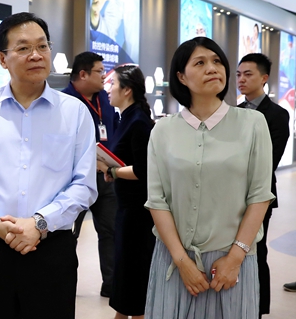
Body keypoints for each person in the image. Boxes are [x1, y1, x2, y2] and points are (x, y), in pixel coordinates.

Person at [0, 12, 97, 318]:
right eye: (24, 48)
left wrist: (39, 223)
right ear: (3, 59)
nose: (36, 55)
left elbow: (84, 185)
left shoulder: (74, 113)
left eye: (42, 46)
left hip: (51, 249)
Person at [145, 37, 275, 319]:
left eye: (217, 61)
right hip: (174, 260)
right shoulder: (163, 131)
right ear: (181, 76)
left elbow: (260, 196)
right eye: (200, 63)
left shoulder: (252, 123)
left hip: (232, 262)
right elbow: (157, 201)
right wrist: (182, 262)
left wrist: (235, 257)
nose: (212, 68)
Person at [95, 65, 154, 319]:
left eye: (113, 84)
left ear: (127, 90)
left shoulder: (138, 121)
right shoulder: (125, 117)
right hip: (126, 207)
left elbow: (143, 169)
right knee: (126, 273)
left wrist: (113, 171)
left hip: (137, 213)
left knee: (134, 273)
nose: (108, 89)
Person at [237, 53, 289, 318]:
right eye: (238, 74)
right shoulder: (233, 112)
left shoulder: (277, 115)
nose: (241, 79)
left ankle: (257, 309)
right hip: (229, 194)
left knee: (255, 252)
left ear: (264, 78)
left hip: (259, 196)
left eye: (248, 74)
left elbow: (269, 161)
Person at [61, 51, 117, 297]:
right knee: (66, 234)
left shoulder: (104, 98)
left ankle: (111, 284)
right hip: (74, 181)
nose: (104, 76)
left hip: (105, 177)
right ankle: (63, 284)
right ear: (83, 74)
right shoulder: (63, 102)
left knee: (110, 231)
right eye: (100, 71)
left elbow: (113, 130)